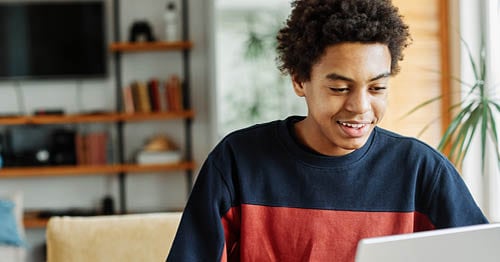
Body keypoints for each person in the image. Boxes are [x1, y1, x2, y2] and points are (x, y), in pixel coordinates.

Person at [167, 0, 488, 261]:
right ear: (298, 80)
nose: (360, 107)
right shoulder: (237, 162)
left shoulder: (421, 171)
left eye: (377, 88)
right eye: (339, 88)